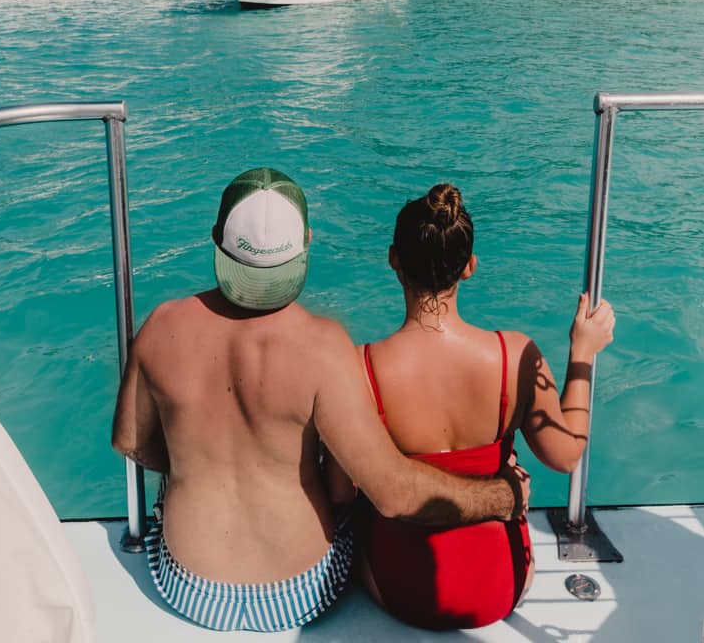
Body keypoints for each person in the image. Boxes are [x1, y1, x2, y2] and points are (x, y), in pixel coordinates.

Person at [112, 168, 529, 633]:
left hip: (190, 586)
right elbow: (390, 494)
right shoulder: (324, 347)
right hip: (299, 592)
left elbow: (131, 443)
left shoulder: (160, 326)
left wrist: (200, 459)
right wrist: (502, 496)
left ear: (216, 238)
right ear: (306, 243)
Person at [339, 183, 615, 631]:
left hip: (402, 587)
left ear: (393, 260)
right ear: (469, 267)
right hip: (502, 582)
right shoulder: (513, 355)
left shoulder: (360, 366)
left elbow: (345, 489)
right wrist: (581, 354)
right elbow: (566, 456)